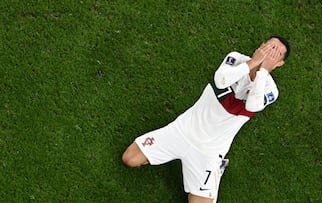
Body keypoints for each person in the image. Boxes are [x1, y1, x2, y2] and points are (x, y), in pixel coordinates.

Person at [122, 36, 290, 203]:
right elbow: (221, 80)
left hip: (208, 152)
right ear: (260, 46)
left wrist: (263, 72)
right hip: (182, 130)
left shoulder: (270, 90)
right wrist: (252, 63)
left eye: (276, 53)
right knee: (130, 159)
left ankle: (216, 169)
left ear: (279, 63)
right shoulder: (236, 59)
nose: (270, 53)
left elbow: (252, 106)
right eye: (269, 47)